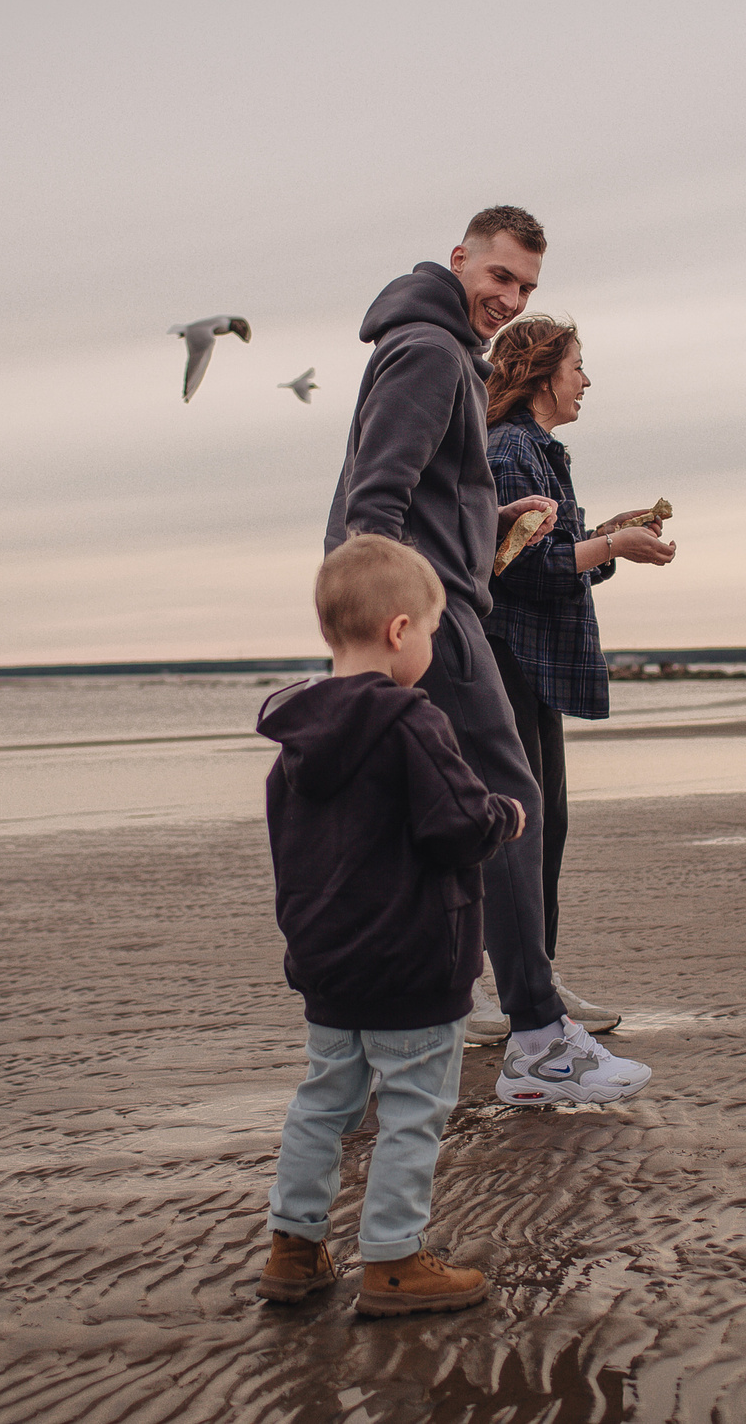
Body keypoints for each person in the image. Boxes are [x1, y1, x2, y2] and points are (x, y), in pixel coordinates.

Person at [324, 206, 654, 1108]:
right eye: (500, 276)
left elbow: (421, 492)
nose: (509, 298)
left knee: (425, 826)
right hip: (430, 617)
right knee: (511, 807)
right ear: (460, 258)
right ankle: (537, 1039)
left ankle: (368, 1053)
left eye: (526, 287)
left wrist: (489, 519)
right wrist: (391, 627)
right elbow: (372, 500)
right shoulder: (432, 352)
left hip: (432, 603)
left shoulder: (439, 351)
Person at [253, 536, 517, 1315]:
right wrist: (504, 814)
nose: (431, 644)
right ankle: (394, 1258)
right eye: (431, 629)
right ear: (400, 630)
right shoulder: (411, 722)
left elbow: (291, 852)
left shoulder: (295, 743)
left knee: (323, 1101)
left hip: (329, 964)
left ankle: (294, 1245)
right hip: (413, 962)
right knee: (413, 1108)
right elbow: (456, 823)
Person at [475, 316, 677, 1045]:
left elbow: (557, 554)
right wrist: (613, 543)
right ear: (541, 374)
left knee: (544, 824)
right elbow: (520, 569)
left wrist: (611, 535)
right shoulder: (509, 449)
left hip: (534, 660)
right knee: (515, 827)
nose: (586, 380)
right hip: (509, 657)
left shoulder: (538, 450)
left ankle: (535, 978)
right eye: (577, 366)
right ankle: (488, 989)